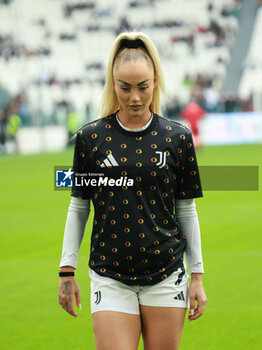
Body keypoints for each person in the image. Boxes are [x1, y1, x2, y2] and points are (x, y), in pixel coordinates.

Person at [58, 31, 207, 350]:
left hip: (168, 275)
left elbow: (186, 212)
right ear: (113, 84)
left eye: (143, 86)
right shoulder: (90, 139)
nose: (135, 97)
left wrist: (197, 276)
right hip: (109, 275)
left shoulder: (177, 138)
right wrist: (65, 270)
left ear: (155, 81)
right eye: (125, 87)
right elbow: (79, 208)